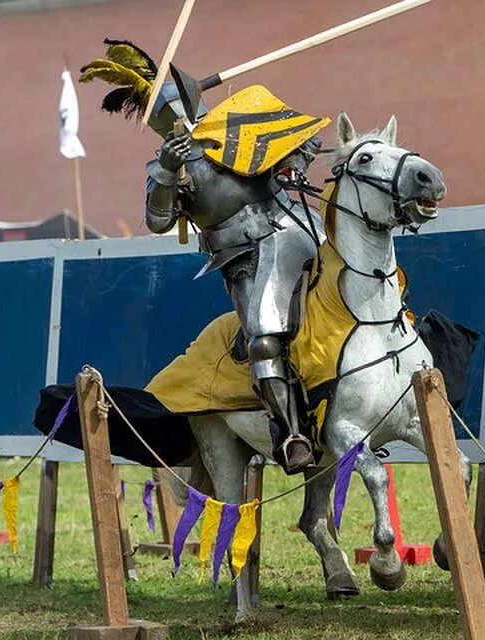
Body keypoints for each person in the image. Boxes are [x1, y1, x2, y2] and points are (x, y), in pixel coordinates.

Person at [80, 39, 330, 473]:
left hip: (295, 228)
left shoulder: (238, 122)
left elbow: (304, 140)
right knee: (264, 337)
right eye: (162, 111)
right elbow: (158, 221)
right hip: (243, 258)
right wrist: (163, 173)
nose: (173, 116)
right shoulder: (165, 165)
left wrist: (292, 164)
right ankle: (292, 433)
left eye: (175, 106)